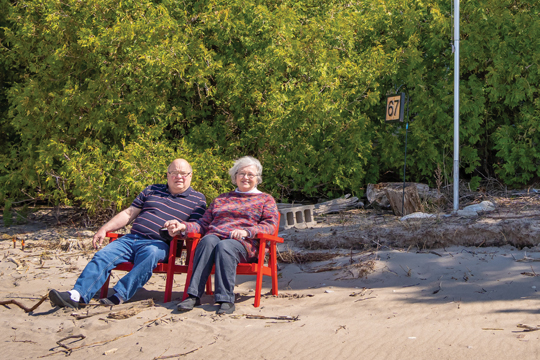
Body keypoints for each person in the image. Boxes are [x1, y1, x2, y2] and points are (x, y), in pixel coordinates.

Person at [48, 159, 207, 309]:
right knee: (103, 255)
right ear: (167, 175)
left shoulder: (197, 199)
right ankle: (77, 295)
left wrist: (180, 227)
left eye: (183, 173)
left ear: (190, 176)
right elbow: (129, 213)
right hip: (131, 238)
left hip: (160, 243)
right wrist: (104, 229)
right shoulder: (152, 189)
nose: (178, 177)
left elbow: (196, 226)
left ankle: (120, 295)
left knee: (150, 255)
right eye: (174, 173)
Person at [165, 156, 279, 315]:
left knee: (225, 246)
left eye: (250, 175)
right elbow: (203, 224)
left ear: (257, 179)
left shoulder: (265, 199)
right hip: (216, 237)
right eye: (241, 173)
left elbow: (270, 226)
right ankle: (193, 295)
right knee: (207, 241)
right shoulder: (221, 199)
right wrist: (184, 226)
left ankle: (225, 299)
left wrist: (247, 231)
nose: (245, 178)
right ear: (235, 176)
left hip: (245, 245)